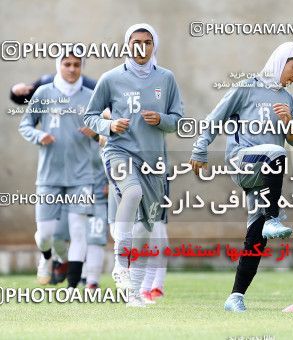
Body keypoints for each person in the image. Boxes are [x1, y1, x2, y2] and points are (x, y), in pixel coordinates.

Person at [189, 42, 293, 312]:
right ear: (280, 61)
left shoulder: (288, 99)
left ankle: (235, 296)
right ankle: (274, 218)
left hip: (266, 173)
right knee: (276, 152)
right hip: (242, 161)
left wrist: (289, 123)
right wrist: (199, 147)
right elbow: (215, 118)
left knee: (257, 235)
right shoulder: (246, 88)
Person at [84, 23, 183, 307]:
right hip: (118, 152)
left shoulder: (166, 78)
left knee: (145, 229)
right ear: (127, 45)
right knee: (132, 192)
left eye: (147, 42)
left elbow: (177, 119)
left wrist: (161, 120)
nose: (141, 47)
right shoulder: (111, 78)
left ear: (154, 46)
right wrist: (110, 124)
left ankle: (134, 293)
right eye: (136, 42)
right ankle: (119, 262)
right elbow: (90, 117)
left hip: (153, 161)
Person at [18, 48, 94, 288]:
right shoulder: (44, 93)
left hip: (81, 176)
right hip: (49, 177)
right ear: (58, 66)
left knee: (77, 233)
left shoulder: (91, 97)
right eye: (67, 64)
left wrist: (97, 131)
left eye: (76, 65)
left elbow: (105, 130)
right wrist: (39, 135)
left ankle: (72, 287)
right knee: (46, 236)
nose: (72, 69)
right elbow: (25, 125)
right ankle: (48, 258)